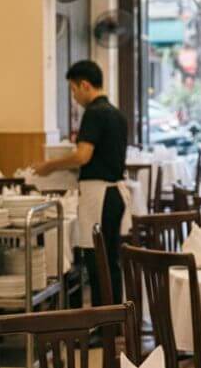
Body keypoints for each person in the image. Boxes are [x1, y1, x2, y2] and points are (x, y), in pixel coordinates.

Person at [33, 60, 131, 307]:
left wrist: (49, 166)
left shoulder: (94, 113)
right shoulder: (116, 113)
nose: (74, 97)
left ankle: (103, 322)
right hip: (114, 194)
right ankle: (114, 319)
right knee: (109, 260)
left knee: (98, 260)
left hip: (100, 195)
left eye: (74, 90)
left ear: (85, 85)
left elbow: (82, 156)